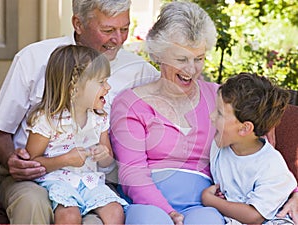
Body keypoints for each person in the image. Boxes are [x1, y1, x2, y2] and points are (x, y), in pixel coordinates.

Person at [0, 0, 159, 224]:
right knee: (32, 204)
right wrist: (12, 161)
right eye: (108, 30)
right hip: (33, 178)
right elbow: (0, 130)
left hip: (94, 179)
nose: (119, 39)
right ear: (78, 23)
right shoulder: (33, 59)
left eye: (124, 28)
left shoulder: (141, 72)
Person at [110, 2, 225, 224]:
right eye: (181, 59)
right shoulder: (131, 103)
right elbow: (132, 173)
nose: (191, 69)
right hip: (146, 204)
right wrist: (169, 212)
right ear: (159, 55)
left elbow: (254, 142)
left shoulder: (219, 97)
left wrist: (292, 192)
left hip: (203, 204)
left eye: (198, 58)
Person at [25, 45, 128, 224]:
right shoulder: (48, 120)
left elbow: (108, 160)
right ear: (75, 88)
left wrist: (103, 155)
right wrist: (65, 160)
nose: (108, 87)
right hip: (58, 181)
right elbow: (32, 163)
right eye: (101, 82)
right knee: (69, 216)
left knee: (115, 211)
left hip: (90, 181)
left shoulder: (99, 118)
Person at [201, 72, 297, 224]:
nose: (211, 117)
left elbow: (254, 217)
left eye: (219, 113)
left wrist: (209, 200)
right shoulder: (221, 145)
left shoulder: (270, 164)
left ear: (245, 129)